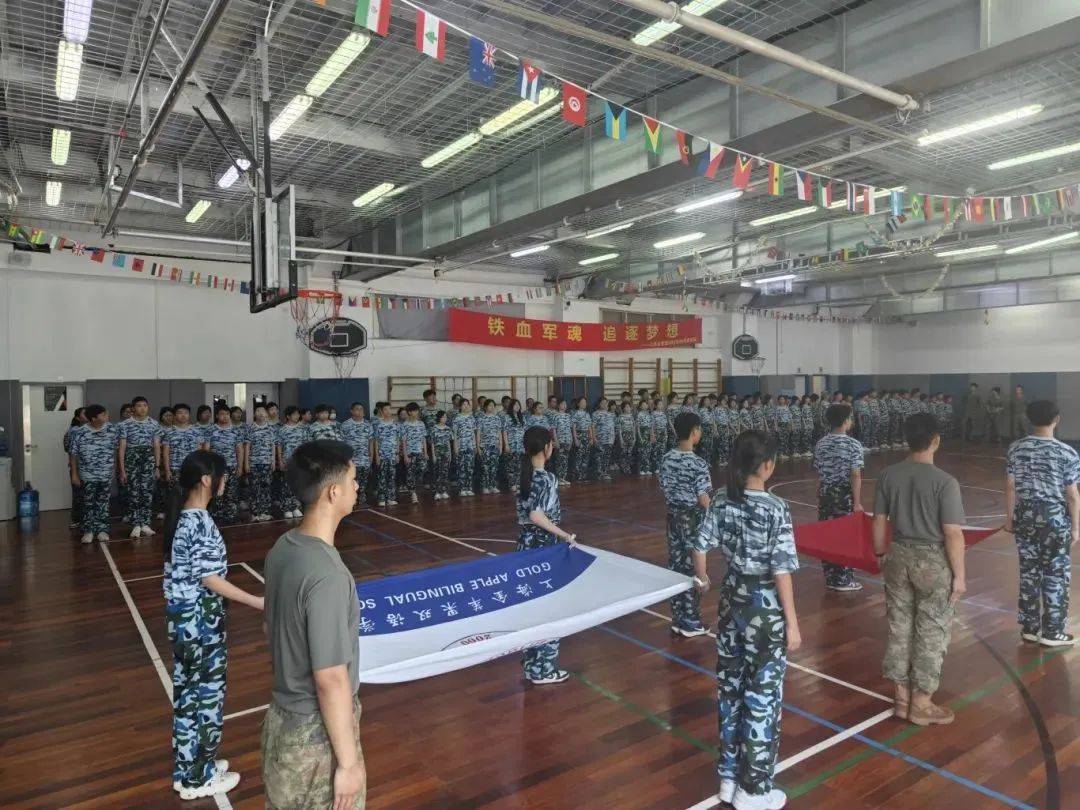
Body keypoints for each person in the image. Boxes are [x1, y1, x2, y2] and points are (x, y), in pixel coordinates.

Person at [692, 431, 800, 810]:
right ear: (767, 466)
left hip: (731, 602)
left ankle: (728, 777)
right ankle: (753, 790)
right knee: (762, 697)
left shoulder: (722, 498)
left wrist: (703, 580)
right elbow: (781, 570)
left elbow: (699, 545)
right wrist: (792, 622)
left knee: (730, 688)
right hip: (764, 608)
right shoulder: (776, 508)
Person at [262, 441, 365, 809]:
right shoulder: (327, 574)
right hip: (316, 740)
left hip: (282, 723)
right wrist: (348, 764)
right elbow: (330, 678)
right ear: (333, 491)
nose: (357, 486)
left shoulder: (283, 548)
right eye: (352, 480)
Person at [164, 450, 262, 800]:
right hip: (200, 621)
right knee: (206, 696)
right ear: (207, 480)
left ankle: (189, 769)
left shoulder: (185, 517)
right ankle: (198, 778)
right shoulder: (199, 522)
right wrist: (257, 601)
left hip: (184, 619)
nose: (225, 481)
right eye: (222, 475)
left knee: (188, 694)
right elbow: (210, 578)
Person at [872, 412, 966, 727]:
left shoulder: (888, 475)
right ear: (936, 440)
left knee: (899, 625)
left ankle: (901, 698)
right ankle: (922, 703)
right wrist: (960, 576)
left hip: (897, 554)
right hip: (932, 560)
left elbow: (878, 520)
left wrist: (880, 552)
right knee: (932, 628)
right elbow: (952, 533)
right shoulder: (945, 482)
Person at [1004, 400, 1080, 647]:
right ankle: (1053, 632)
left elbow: (1010, 487)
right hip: (1054, 519)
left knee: (1029, 571)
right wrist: (1076, 527)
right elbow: (1072, 494)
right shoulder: (1067, 452)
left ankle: (1030, 627)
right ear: (1056, 419)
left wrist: (1009, 519)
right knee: (1056, 573)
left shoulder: (1015, 448)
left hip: (1025, 516)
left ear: (1029, 419)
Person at [516, 426, 578, 685]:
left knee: (533, 606)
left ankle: (532, 662)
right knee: (550, 607)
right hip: (544, 547)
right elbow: (536, 515)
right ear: (546, 448)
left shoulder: (525, 475)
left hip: (525, 547)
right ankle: (543, 668)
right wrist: (564, 535)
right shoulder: (546, 478)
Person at [659, 412, 712, 637]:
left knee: (676, 565)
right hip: (691, 518)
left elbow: (663, 487)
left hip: (673, 516)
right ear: (694, 432)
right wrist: (715, 515)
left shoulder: (666, 458)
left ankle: (678, 618)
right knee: (692, 568)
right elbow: (703, 498)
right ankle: (691, 621)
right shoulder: (697, 463)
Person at [812, 403, 865, 592]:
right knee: (845, 536)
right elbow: (855, 475)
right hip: (844, 495)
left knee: (828, 534)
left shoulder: (821, 443)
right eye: (850, 418)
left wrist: (820, 490)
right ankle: (843, 579)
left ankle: (830, 577)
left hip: (826, 494)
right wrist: (857, 503)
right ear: (845, 421)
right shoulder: (853, 445)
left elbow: (820, 472)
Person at [69, 404, 118, 544]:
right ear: (93, 418)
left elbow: (116, 450)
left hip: (106, 473)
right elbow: (73, 454)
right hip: (87, 474)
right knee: (88, 503)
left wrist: (114, 469)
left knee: (103, 502)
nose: (107, 416)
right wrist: (74, 475)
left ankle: (102, 530)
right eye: (104, 414)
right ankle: (88, 530)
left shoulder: (112, 429)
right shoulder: (80, 432)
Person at [118, 396, 163, 539]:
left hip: (148, 459)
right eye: (139, 405)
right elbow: (122, 448)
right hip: (131, 459)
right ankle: (136, 524)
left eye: (145, 405)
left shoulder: (154, 424)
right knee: (133, 492)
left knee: (147, 492)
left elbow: (156, 446)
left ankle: (145, 523)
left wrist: (157, 466)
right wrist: (122, 470)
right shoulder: (125, 424)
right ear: (133, 408)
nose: (142, 408)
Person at [206, 406, 243, 526]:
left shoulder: (236, 430)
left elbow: (239, 449)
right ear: (217, 415)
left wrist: (240, 466)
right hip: (215, 468)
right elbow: (206, 450)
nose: (225, 416)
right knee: (216, 493)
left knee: (231, 493)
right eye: (222, 414)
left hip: (231, 466)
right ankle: (217, 516)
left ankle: (231, 516)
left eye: (227, 414)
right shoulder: (210, 430)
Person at [163, 404, 202, 499]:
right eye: (180, 413)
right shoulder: (169, 432)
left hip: (192, 469)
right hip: (175, 469)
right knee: (175, 498)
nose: (183, 415)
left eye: (186, 413)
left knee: (192, 497)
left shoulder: (196, 431)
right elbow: (166, 453)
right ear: (174, 415)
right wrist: (167, 471)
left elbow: (200, 451)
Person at [246, 405, 277, 522]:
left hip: (267, 462)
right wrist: (246, 462)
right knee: (254, 488)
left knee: (266, 488)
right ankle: (255, 513)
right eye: (258, 411)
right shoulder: (250, 428)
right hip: (254, 463)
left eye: (263, 412)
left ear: (266, 414)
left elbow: (273, 445)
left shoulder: (270, 428)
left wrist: (273, 461)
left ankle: (264, 512)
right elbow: (247, 446)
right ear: (255, 414)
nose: (260, 414)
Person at [340, 403, 373, 508]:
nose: (360, 411)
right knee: (352, 481)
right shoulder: (345, 425)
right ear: (352, 411)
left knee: (363, 481)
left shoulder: (368, 425)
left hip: (364, 458)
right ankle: (352, 501)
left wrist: (371, 455)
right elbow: (342, 443)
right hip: (351, 460)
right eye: (357, 409)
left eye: (361, 409)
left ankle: (362, 500)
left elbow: (371, 441)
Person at [372, 402, 403, 507]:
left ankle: (390, 498)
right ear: (381, 411)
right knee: (382, 476)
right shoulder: (378, 424)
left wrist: (397, 453)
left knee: (392, 476)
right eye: (386, 409)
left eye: (389, 409)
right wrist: (377, 456)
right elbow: (376, 441)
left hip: (392, 455)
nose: (388, 411)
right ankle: (381, 498)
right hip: (382, 455)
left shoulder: (395, 424)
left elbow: (398, 439)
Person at [64, 407, 89, 530]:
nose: (88, 415)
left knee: (85, 494)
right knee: (79, 494)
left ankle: (85, 519)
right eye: (84, 414)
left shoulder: (86, 429)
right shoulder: (75, 430)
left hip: (87, 467)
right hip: (78, 467)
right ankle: (78, 520)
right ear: (78, 418)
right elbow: (70, 450)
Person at [475, 399, 505, 495]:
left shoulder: (497, 418)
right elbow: (478, 434)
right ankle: (485, 486)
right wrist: (478, 447)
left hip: (495, 446)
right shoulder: (481, 418)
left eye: (493, 405)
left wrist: (501, 446)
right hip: (484, 446)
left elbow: (499, 433)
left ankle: (493, 486)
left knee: (494, 467)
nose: (492, 407)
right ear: (485, 407)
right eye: (490, 405)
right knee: (485, 467)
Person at [402, 402, 429, 504]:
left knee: (423, 468)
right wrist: (405, 456)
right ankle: (413, 493)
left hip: (419, 452)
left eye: (418, 411)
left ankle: (413, 487)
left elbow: (423, 439)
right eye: (415, 411)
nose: (417, 412)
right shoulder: (405, 425)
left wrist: (425, 452)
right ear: (409, 412)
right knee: (410, 472)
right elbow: (404, 441)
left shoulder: (421, 424)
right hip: (410, 453)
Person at [502, 399, 526, 492]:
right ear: (511, 406)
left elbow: (524, 431)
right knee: (511, 466)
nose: (517, 406)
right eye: (515, 405)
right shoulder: (507, 417)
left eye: (518, 404)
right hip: (511, 444)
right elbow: (504, 431)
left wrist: (525, 445)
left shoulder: (522, 417)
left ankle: (518, 483)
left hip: (520, 445)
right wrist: (506, 444)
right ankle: (512, 484)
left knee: (519, 466)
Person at [429, 411, 453, 500]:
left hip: (446, 453)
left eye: (446, 417)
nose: (445, 419)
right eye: (443, 417)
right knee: (437, 472)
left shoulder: (448, 429)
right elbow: (432, 443)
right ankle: (437, 492)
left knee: (445, 472)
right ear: (439, 418)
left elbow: (448, 442)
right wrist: (433, 455)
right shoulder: (434, 428)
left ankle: (444, 491)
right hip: (437, 453)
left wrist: (450, 454)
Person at [549, 398, 573, 487]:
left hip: (567, 440)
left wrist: (571, 440)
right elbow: (553, 430)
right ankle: (559, 478)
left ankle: (563, 477)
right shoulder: (555, 415)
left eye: (565, 404)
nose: (564, 406)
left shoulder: (568, 416)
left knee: (565, 460)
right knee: (559, 460)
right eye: (562, 404)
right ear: (558, 405)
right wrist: (556, 441)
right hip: (560, 440)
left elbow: (570, 429)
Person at [592, 397, 616, 482]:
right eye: (603, 403)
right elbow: (593, 426)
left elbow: (612, 427)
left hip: (609, 439)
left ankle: (605, 472)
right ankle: (599, 473)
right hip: (600, 439)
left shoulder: (610, 414)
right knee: (599, 457)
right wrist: (594, 437)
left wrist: (613, 437)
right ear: (599, 404)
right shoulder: (595, 414)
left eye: (606, 403)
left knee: (607, 457)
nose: (605, 405)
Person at [616, 401, 637, 477]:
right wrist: (621, 439)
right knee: (623, 452)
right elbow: (619, 429)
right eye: (626, 407)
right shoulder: (620, 417)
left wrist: (634, 437)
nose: (628, 408)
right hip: (624, 435)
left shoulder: (631, 416)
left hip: (631, 435)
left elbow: (633, 427)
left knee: (629, 452)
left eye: (629, 407)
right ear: (623, 408)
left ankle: (628, 467)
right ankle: (623, 467)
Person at [635, 400, 655, 475]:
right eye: (643, 405)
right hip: (642, 433)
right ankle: (641, 469)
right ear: (640, 406)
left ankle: (647, 469)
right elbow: (638, 427)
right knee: (642, 451)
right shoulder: (639, 414)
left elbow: (651, 426)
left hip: (648, 433)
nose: (645, 406)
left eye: (646, 404)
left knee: (648, 451)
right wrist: (640, 437)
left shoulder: (649, 414)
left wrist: (652, 435)